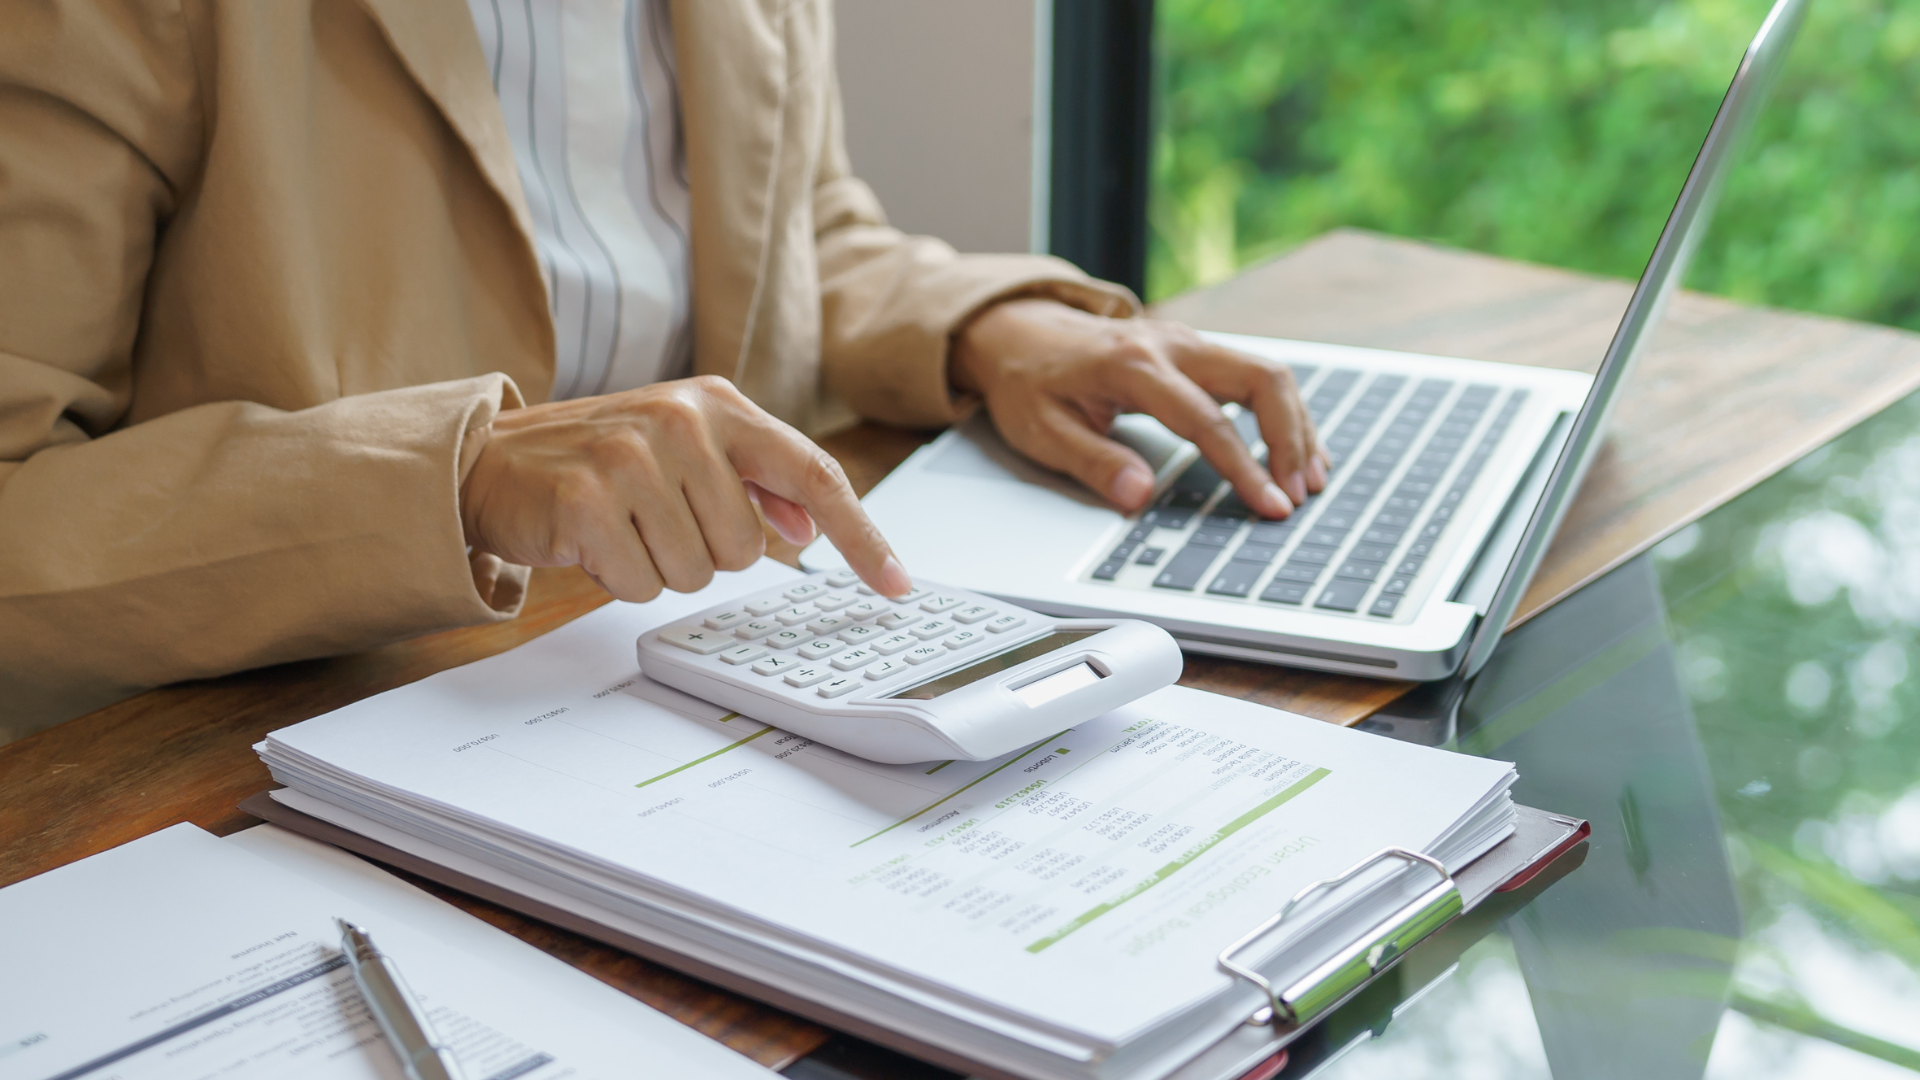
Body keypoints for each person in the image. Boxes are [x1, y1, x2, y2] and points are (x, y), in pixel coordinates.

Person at [0, 0, 1326, 730]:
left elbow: (793, 227)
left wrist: (989, 328)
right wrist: (454, 478)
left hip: (673, 680)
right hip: (286, 735)